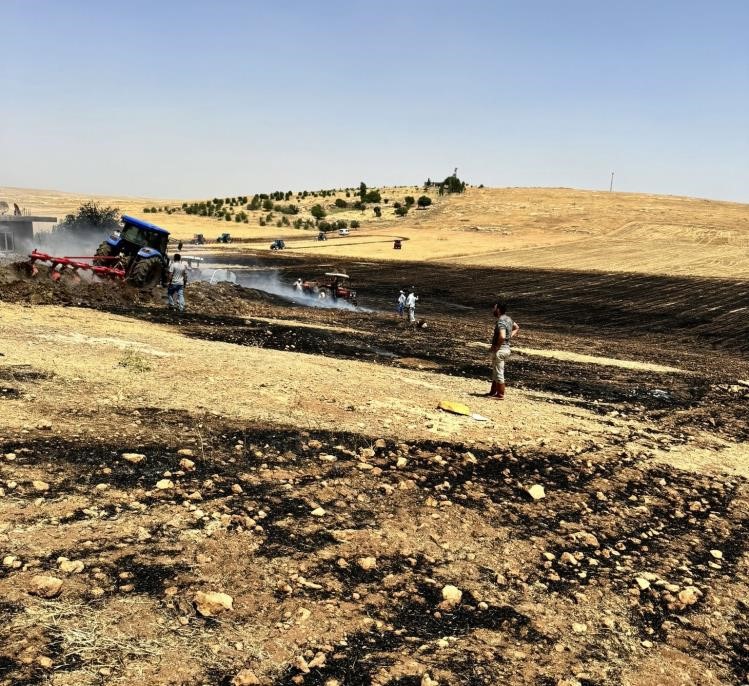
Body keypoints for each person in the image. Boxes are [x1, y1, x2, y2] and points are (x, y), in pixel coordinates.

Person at [487, 300, 520, 399]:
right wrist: (509, 337)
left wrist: (497, 346)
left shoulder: (501, 321)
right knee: (496, 371)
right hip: (506, 349)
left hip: (501, 350)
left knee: (498, 372)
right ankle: (493, 392)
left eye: (494, 308)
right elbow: (516, 327)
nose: (493, 310)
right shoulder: (508, 319)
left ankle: (500, 394)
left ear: (498, 309)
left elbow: (501, 336)